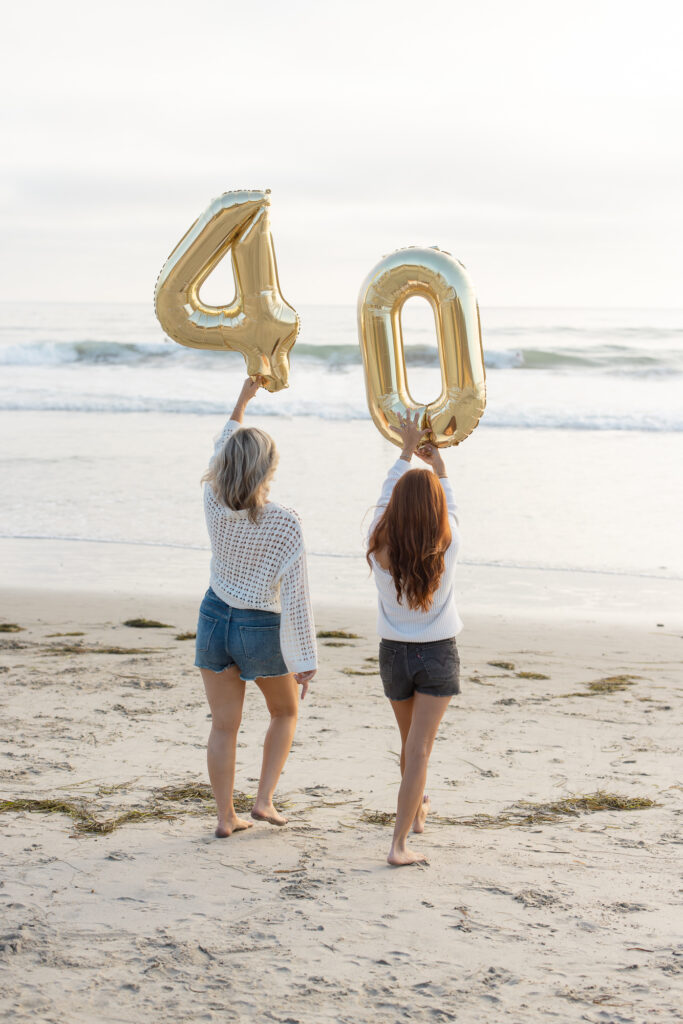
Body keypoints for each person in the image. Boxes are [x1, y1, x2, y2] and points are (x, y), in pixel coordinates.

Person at [195, 377, 317, 838]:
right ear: (268, 470)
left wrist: (243, 399)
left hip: (213, 617)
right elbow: (298, 599)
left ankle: (226, 818)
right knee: (284, 713)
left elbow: (223, 440)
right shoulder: (284, 522)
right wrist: (305, 661)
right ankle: (263, 800)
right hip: (260, 626)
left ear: (225, 464)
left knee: (224, 726)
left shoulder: (211, 498)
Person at [367, 412, 461, 866]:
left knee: (410, 746)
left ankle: (418, 812)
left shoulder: (378, 542)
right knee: (419, 749)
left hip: (393, 654)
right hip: (437, 653)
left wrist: (405, 453)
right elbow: (453, 509)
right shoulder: (448, 542)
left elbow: (387, 495)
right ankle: (399, 844)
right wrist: (439, 468)